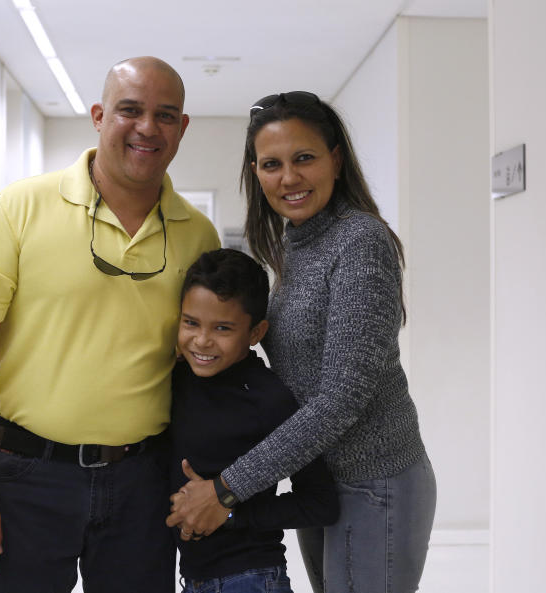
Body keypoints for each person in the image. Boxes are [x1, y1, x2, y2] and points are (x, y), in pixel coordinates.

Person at [0, 56, 219, 593]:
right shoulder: (19, 209)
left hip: (142, 483)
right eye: (130, 111)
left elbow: (205, 364)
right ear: (98, 115)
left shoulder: (198, 234)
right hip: (26, 477)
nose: (147, 128)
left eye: (165, 116)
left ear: (182, 128)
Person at [167, 91, 436, 593]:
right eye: (272, 164)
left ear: (335, 159)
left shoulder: (359, 242)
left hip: (373, 481)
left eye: (304, 158)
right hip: (323, 479)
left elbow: (340, 399)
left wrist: (227, 490)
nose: (288, 178)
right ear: (256, 172)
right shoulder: (295, 240)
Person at [170, 248, 339, 593]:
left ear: (255, 333)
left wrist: (230, 512)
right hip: (193, 580)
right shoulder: (176, 377)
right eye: (191, 322)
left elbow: (321, 503)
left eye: (223, 328)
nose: (202, 340)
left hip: (251, 579)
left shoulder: (268, 398)